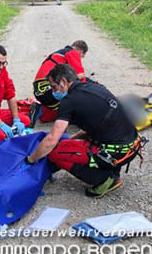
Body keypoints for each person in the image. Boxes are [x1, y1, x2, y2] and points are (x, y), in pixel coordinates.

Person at [25, 64, 143, 198]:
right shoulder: (92, 87)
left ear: (63, 81)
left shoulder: (68, 101)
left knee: (55, 153)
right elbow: (98, 121)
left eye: (53, 87)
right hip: (132, 145)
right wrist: (73, 139)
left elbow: (51, 140)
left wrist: (31, 159)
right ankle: (112, 171)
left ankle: (104, 180)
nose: (53, 91)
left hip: (115, 152)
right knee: (72, 143)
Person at [29, 40, 88, 127]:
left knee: (57, 109)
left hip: (40, 91)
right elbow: (80, 76)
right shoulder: (73, 53)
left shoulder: (58, 54)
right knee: (74, 91)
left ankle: (40, 110)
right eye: (81, 57)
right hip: (50, 87)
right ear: (81, 52)